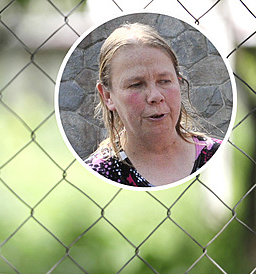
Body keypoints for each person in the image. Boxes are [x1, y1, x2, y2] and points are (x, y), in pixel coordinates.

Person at [85, 23, 221, 187]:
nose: (155, 96)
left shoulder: (218, 155)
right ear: (107, 96)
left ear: (178, 82)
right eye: (136, 84)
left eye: (164, 81)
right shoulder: (97, 174)